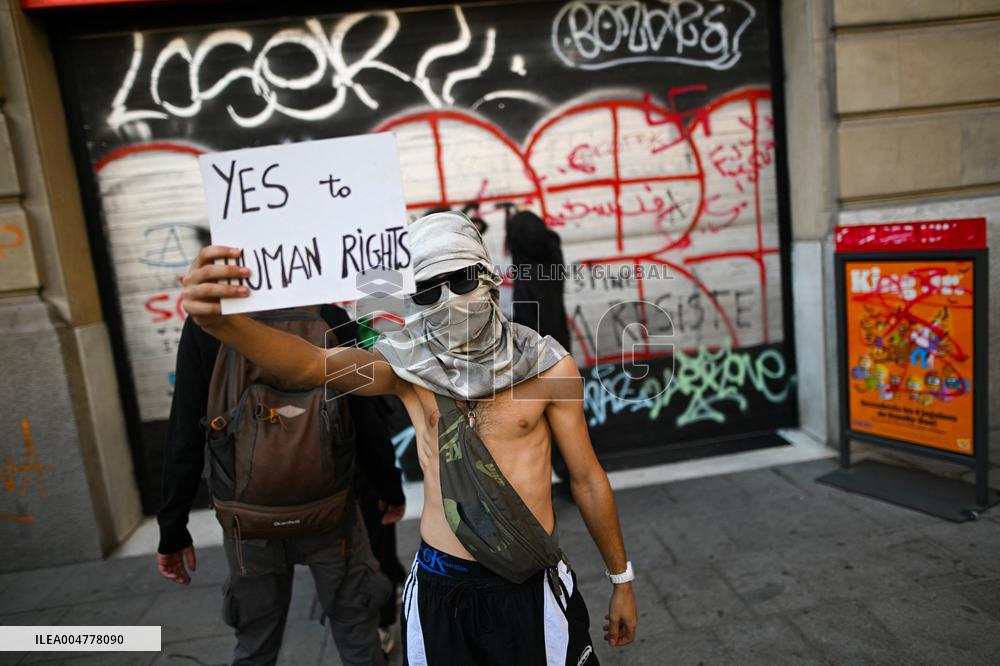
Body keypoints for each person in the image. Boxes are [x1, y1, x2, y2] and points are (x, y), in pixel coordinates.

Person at [179, 212, 638, 665]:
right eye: (429, 289)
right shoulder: (407, 369)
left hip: (530, 583)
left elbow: (587, 479)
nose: (449, 299)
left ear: (489, 276)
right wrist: (221, 324)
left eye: (461, 279)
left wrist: (622, 581)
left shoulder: (548, 365)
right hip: (442, 584)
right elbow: (308, 365)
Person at [156, 304, 404, 666]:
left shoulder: (208, 323)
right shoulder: (330, 317)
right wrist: (389, 488)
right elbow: (364, 417)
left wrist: (173, 530)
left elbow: (184, 433)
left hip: (248, 520)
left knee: (255, 645)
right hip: (332, 512)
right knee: (358, 636)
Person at [507, 209, 572, 354]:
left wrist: (518, 217)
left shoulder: (524, 270)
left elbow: (516, 241)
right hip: (560, 342)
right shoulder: (554, 264)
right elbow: (548, 238)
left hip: (534, 349)